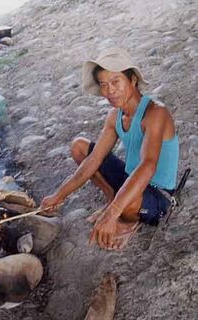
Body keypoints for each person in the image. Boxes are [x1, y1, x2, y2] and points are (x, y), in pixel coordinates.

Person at [41, 47, 179, 251]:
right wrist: (59, 195)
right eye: (104, 85)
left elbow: (148, 166)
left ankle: (127, 216)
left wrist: (113, 212)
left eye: (115, 82)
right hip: (132, 179)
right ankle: (113, 200)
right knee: (80, 147)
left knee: (126, 205)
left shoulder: (155, 113)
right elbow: (94, 159)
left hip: (158, 194)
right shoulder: (115, 116)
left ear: (132, 79)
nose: (109, 91)